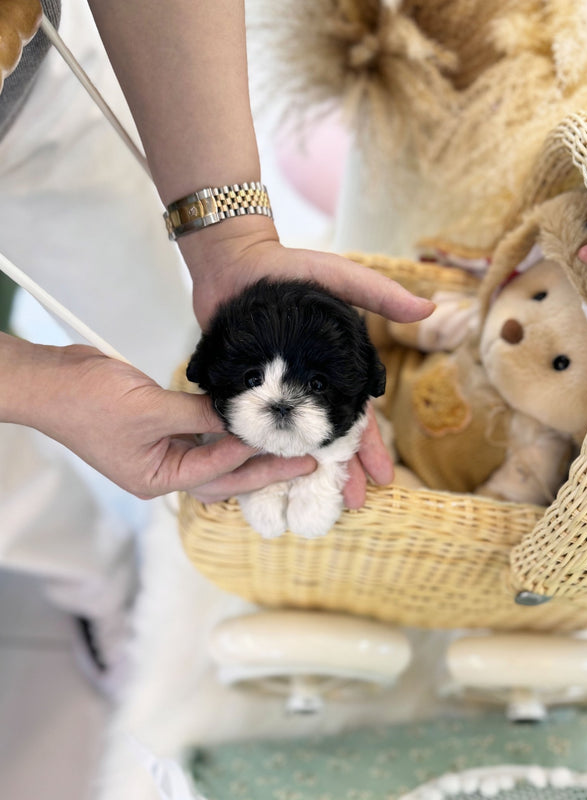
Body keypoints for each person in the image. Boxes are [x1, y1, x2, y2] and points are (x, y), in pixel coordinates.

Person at [0, 0, 432, 694]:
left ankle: (138, 558)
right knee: (18, 500)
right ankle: (94, 583)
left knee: (134, 310)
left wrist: (232, 237)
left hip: (32, 70)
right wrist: (36, 389)